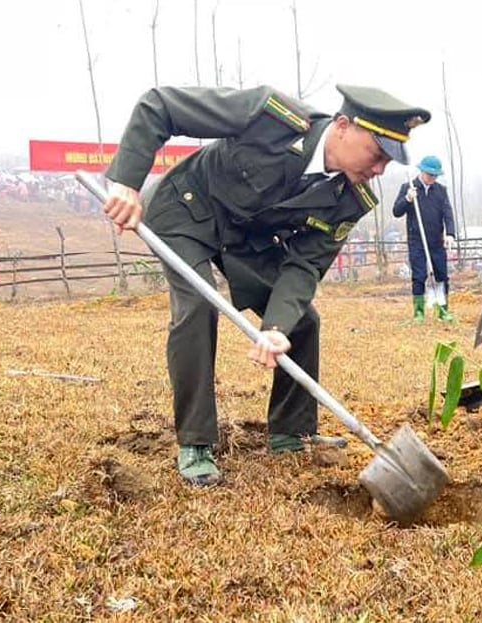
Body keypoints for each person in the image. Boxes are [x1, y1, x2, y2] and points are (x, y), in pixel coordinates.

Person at [101, 83, 430, 486]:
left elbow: (305, 266)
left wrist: (275, 328)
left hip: (246, 243)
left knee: (301, 322)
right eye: (377, 154)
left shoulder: (350, 199)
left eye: (388, 162)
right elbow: (160, 106)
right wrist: (126, 182)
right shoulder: (271, 116)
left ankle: (291, 432)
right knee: (199, 305)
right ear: (343, 126)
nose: (380, 169)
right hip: (187, 210)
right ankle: (197, 441)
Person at [392, 155, 456, 323]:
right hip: (417, 242)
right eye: (430, 175)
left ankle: (442, 310)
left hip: (436, 242)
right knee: (419, 276)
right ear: (422, 171)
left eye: (435, 176)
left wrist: (450, 234)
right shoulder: (408, 187)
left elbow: (447, 214)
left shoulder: (441, 191)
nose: (432, 178)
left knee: (442, 276)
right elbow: (396, 211)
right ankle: (419, 312)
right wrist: (407, 199)